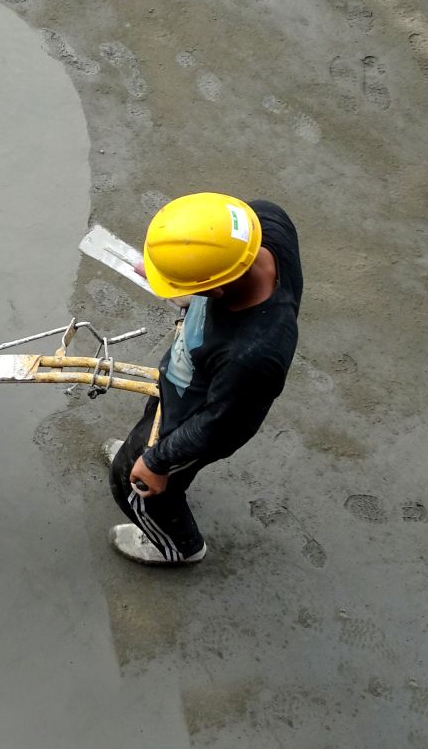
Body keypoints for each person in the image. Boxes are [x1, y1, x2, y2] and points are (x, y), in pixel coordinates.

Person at [105, 193, 302, 566]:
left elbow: (221, 426)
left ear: (215, 290)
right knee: (146, 427)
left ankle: (178, 547)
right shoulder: (264, 223)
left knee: (133, 485)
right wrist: (181, 279)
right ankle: (144, 455)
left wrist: (158, 462)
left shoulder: (255, 354)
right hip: (185, 380)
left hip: (200, 416)